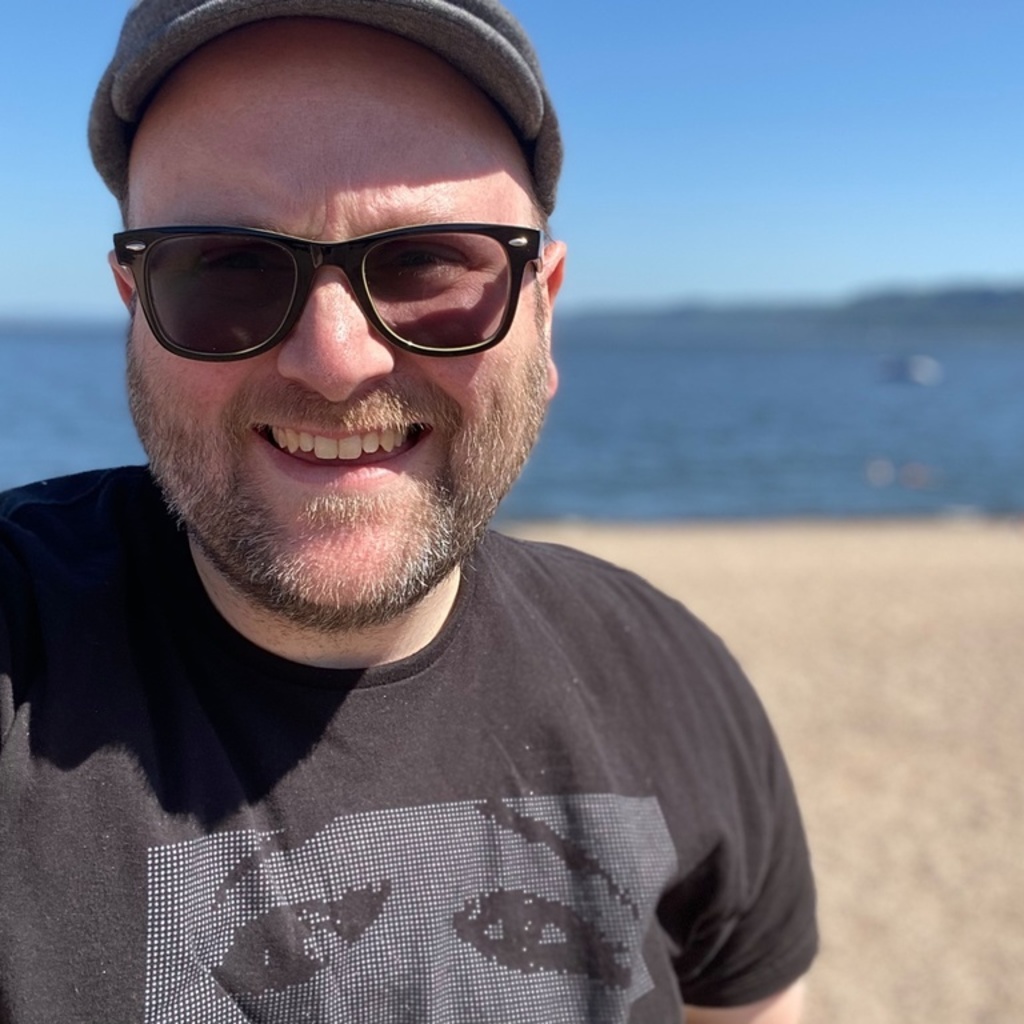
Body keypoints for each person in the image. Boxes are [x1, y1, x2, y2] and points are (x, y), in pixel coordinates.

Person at [0, 1, 817, 1021]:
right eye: (224, 267)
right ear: (136, 311)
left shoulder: (672, 676)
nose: (334, 361)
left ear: (543, 308)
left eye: (429, 263)